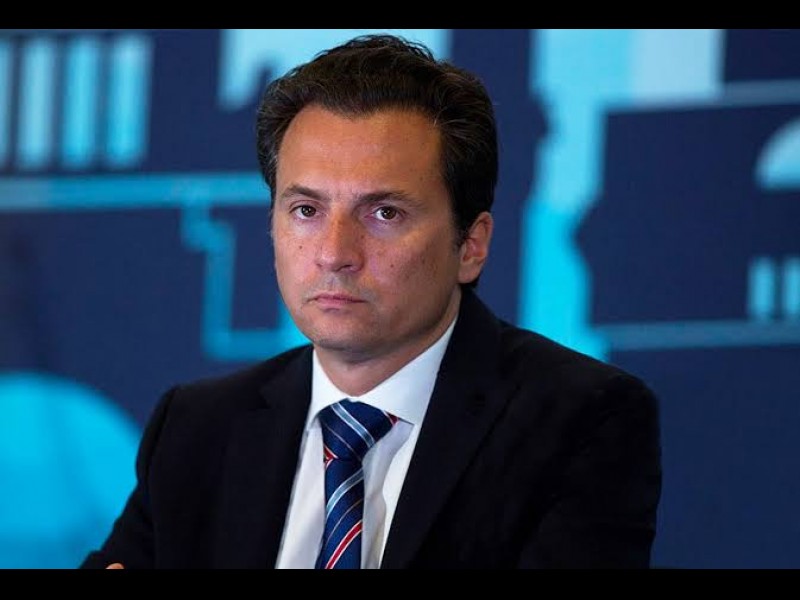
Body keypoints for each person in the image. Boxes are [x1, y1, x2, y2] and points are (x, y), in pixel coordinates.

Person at [80, 33, 662, 569]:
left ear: (471, 245)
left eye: (384, 213)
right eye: (306, 210)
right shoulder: (197, 428)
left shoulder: (581, 421)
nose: (335, 253)